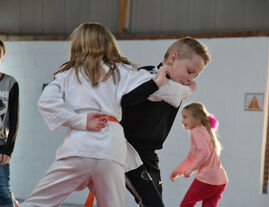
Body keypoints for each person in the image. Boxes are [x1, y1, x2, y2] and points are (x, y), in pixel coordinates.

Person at [20, 22, 182, 207]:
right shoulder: (122, 71)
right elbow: (161, 91)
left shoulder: (68, 74)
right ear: (109, 44)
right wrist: (175, 85)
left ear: (77, 45)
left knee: (37, 204)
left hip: (78, 148)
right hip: (110, 150)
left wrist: (81, 120)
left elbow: (46, 103)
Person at [121, 37, 211, 206]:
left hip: (149, 155)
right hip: (128, 151)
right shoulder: (145, 76)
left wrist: (186, 89)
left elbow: (175, 93)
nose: (191, 80)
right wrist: (184, 90)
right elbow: (128, 100)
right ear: (172, 58)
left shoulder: (178, 88)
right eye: (190, 71)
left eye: (196, 76)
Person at [170, 102, 228, 207]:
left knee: (186, 205)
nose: (182, 120)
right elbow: (191, 158)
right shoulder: (204, 131)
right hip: (221, 180)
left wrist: (190, 170)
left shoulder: (196, 131)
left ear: (198, 118)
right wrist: (179, 170)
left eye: (185, 117)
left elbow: (205, 152)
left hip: (208, 178)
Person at [0, 40, 20, 207]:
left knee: (3, 193)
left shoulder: (10, 83)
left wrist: (8, 150)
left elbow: (14, 120)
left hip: (0, 147)